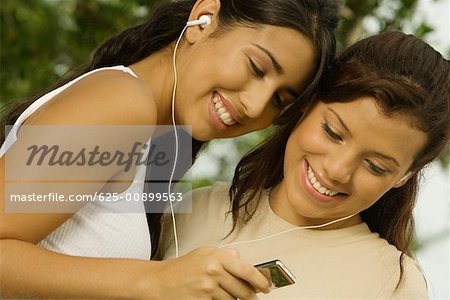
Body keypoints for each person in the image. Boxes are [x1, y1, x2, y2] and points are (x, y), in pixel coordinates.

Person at [0, 0, 340, 298]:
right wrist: (154, 281)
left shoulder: (155, 146)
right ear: (204, 18)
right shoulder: (123, 101)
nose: (255, 106)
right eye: (256, 67)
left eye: (279, 101)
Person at [158, 32, 450, 299]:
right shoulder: (189, 210)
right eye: (333, 133)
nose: (337, 171)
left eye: (374, 166)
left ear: (406, 175)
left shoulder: (392, 283)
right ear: (306, 106)